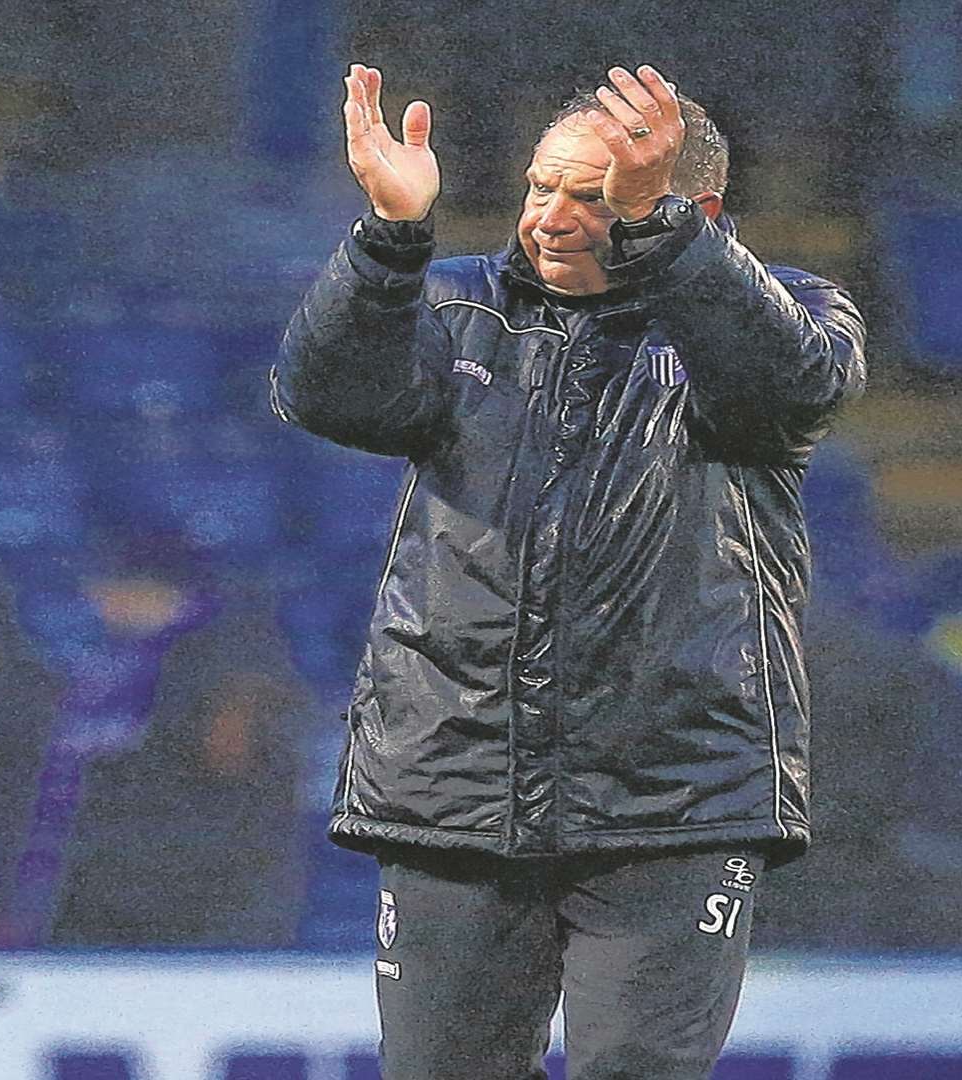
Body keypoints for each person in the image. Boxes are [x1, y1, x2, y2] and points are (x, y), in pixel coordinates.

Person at [270, 63, 865, 1079]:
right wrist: (387, 242)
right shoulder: (452, 304)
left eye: (591, 196)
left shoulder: (790, 313)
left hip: (672, 802)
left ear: (694, 207)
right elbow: (325, 395)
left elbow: (783, 389)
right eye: (542, 185)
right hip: (450, 789)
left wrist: (662, 235)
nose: (548, 215)